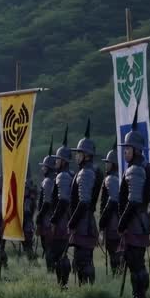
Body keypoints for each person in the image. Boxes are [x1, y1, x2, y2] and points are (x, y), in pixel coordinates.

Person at [118, 106, 150, 298]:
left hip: (134, 221)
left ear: (136, 150)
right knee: (137, 263)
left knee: (135, 264)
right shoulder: (144, 167)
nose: (125, 152)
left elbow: (132, 200)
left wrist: (122, 224)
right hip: (139, 221)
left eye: (128, 149)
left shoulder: (135, 169)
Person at [69, 121, 101, 285]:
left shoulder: (86, 173)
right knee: (83, 259)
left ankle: (88, 292)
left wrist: (72, 222)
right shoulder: (86, 171)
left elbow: (83, 202)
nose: (76, 156)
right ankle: (86, 290)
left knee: (83, 260)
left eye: (79, 152)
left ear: (86, 155)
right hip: (84, 221)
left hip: (83, 223)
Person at [51, 128, 75, 288]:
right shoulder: (69, 175)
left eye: (58, 159)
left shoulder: (63, 176)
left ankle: (62, 284)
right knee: (61, 254)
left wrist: (54, 219)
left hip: (61, 221)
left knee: (60, 255)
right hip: (65, 219)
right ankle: (62, 283)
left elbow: (63, 201)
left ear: (64, 161)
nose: (56, 162)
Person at [98, 145, 123, 274]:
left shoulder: (111, 179)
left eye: (108, 162)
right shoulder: (119, 177)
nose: (106, 165)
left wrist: (102, 223)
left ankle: (117, 276)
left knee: (115, 254)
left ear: (113, 164)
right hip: (117, 221)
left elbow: (112, 201)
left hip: (113, 223)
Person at [38, 140, 58, 273]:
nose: (42, 168)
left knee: (49, 249)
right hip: (53, 218)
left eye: (44, 166)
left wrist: (38, 218)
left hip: (47, 220)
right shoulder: (55, 179)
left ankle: (51, 272)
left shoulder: (47, 181)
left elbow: (46, 202)